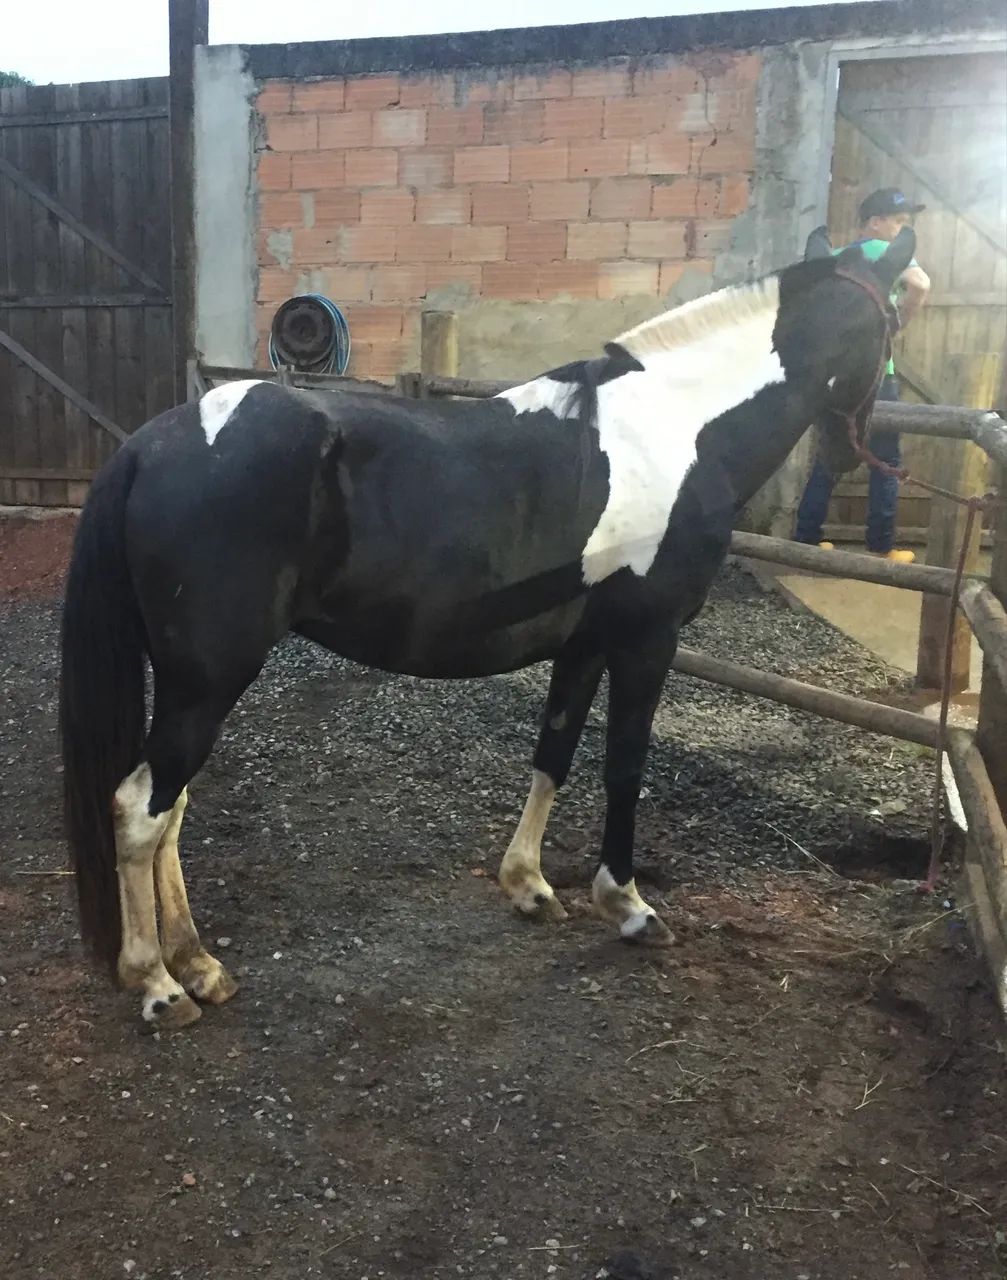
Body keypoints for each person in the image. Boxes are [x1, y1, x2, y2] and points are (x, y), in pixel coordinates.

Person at [794, 188, 931, 563]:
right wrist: (896, 324)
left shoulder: (834, 259)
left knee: (831, 453)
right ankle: (881, 546)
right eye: (898, 222)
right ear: (875, 222)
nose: (901, 229)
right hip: (874, 376)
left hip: (833, 376)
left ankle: (806, 538)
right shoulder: (880, 252)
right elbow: (921, 285)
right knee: (886, 459)